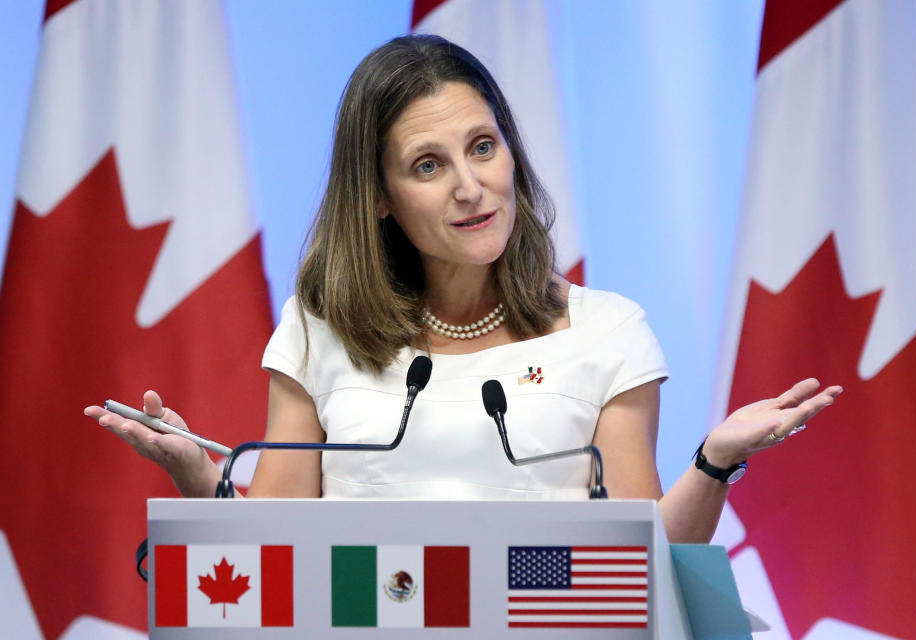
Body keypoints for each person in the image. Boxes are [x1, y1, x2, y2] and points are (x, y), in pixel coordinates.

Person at [84, 34, 840, 543]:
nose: (472, 187)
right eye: (428, 165)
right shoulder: (321, 330)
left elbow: (637, 564)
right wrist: (196, 474)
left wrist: (713, 461)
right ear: (378, 195)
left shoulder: (608, 333)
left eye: (483, 147)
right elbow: (278, 547)